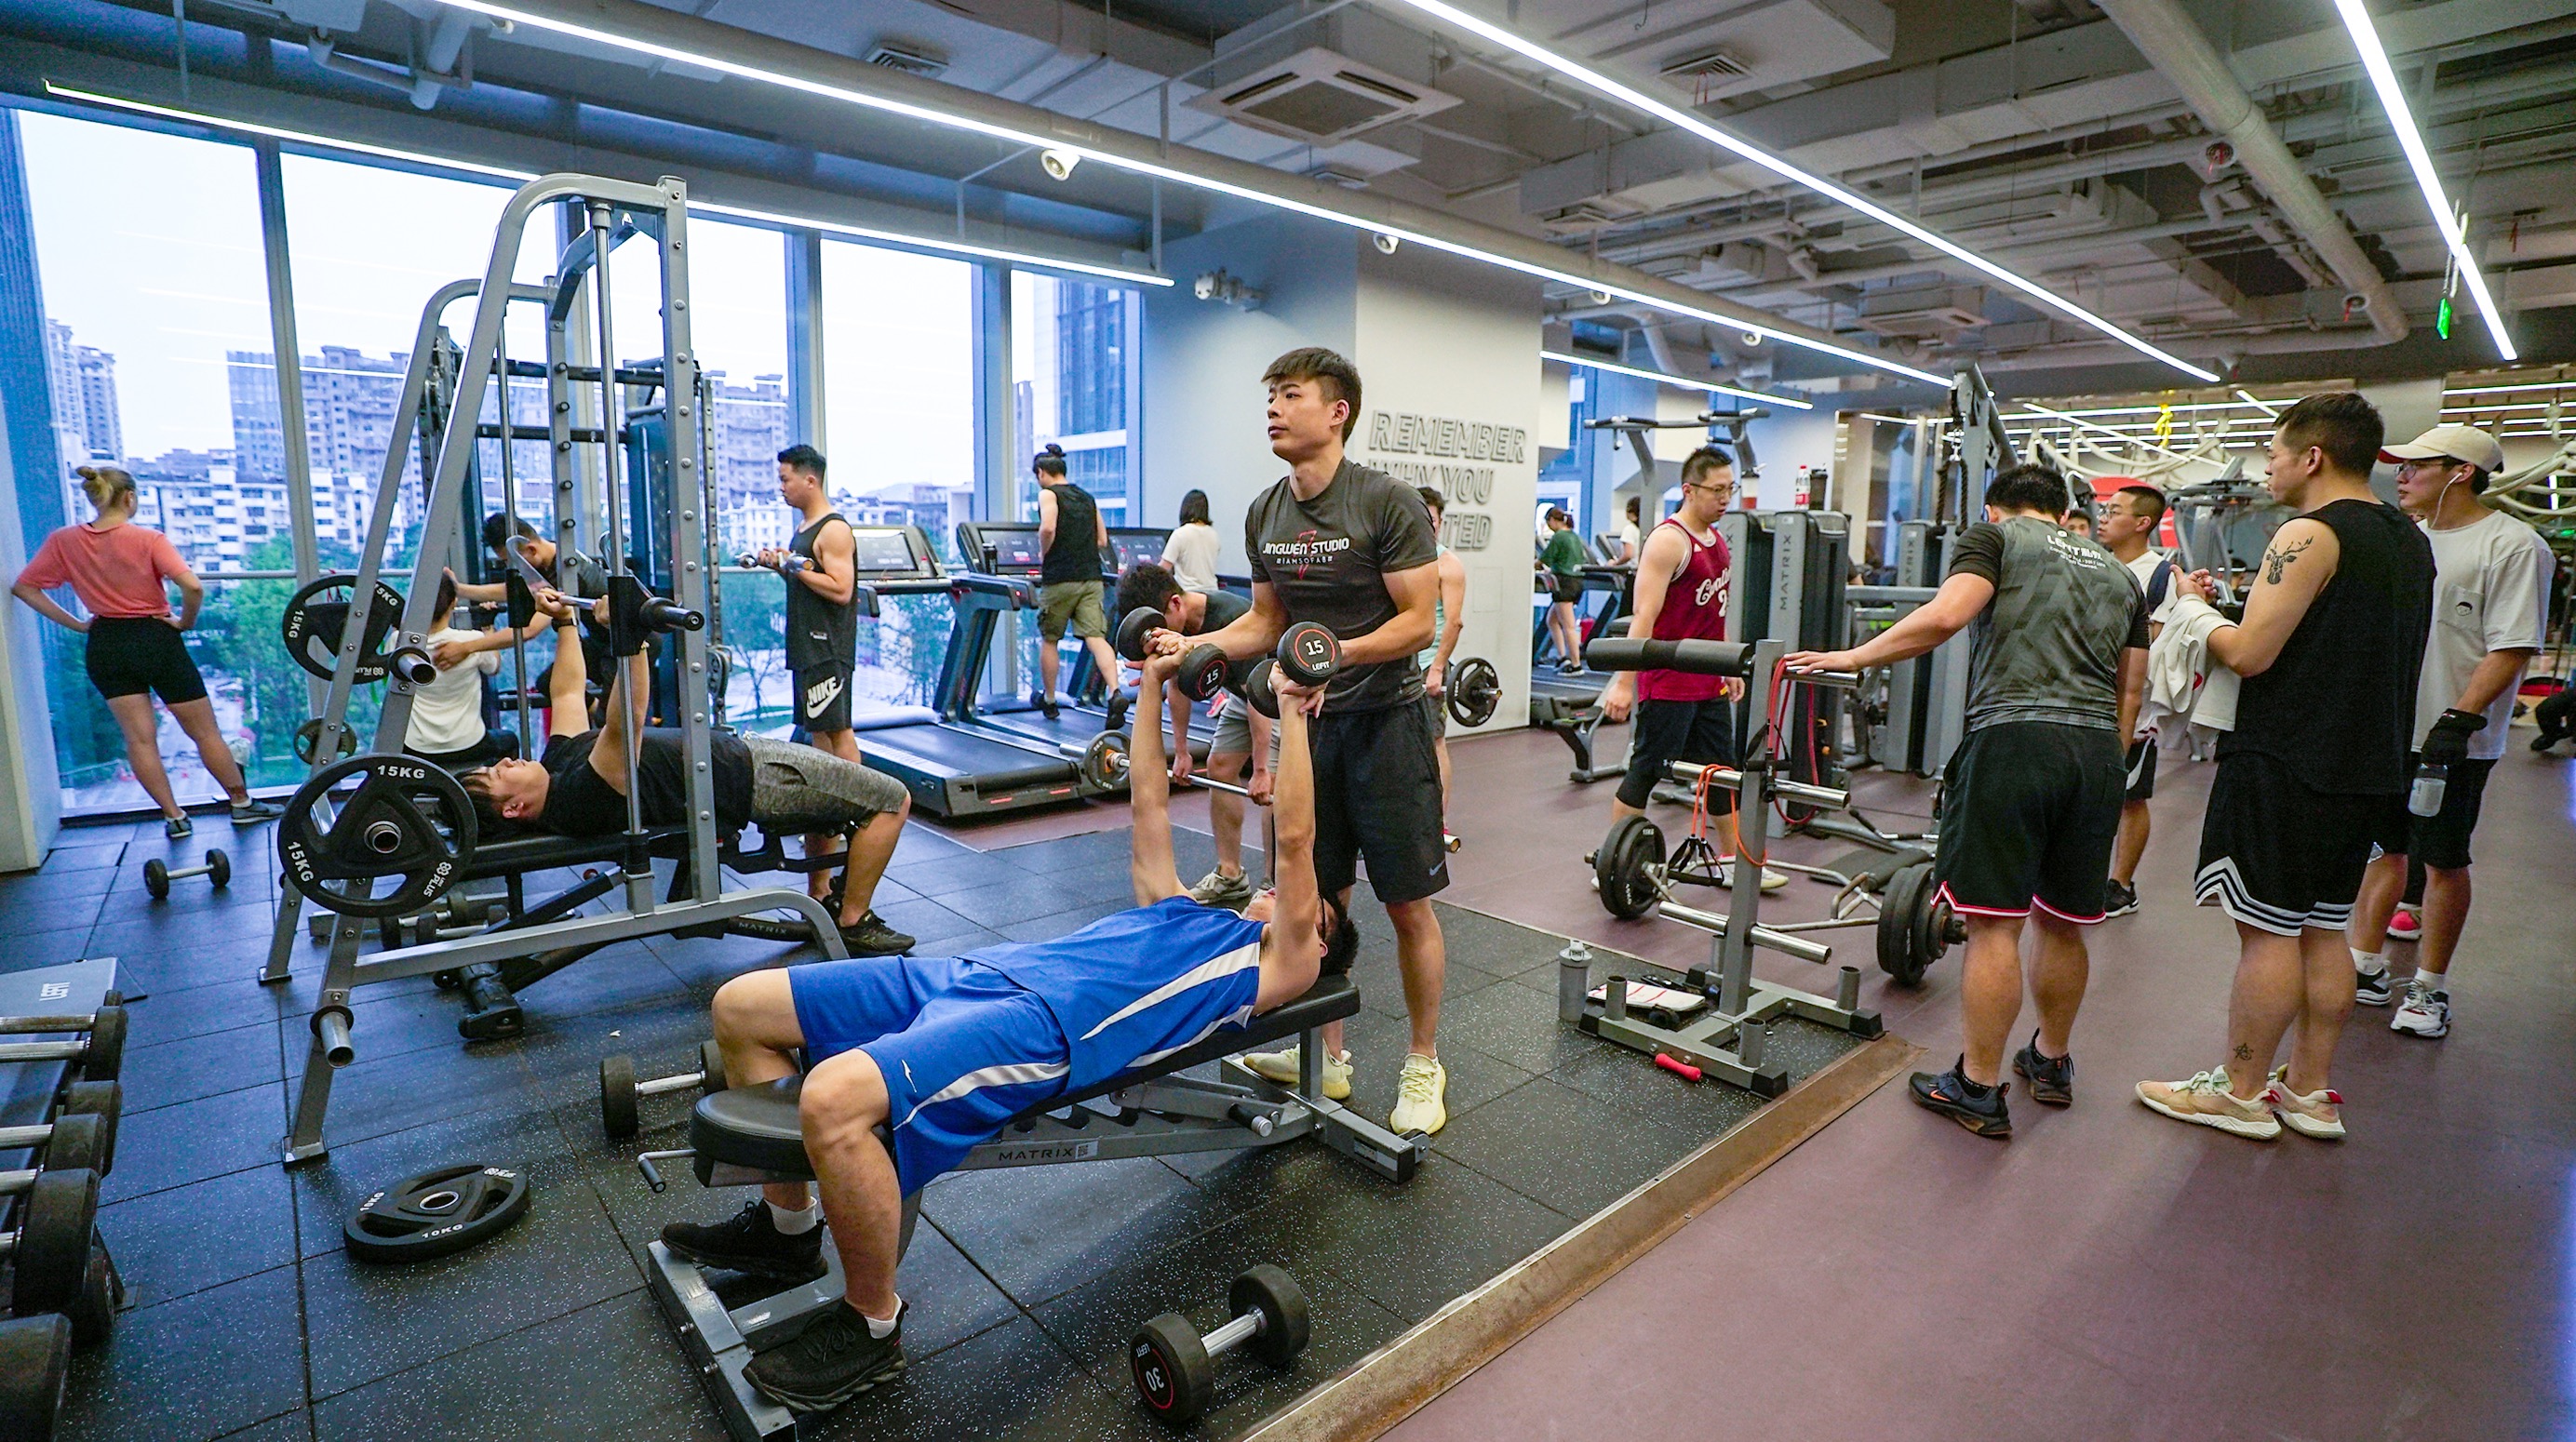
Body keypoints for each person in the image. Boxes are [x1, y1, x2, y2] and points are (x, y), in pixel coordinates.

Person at [653, 645, 1341, 1415]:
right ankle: (787, 1234)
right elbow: (1147, 801)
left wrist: (1291, 709)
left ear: (1316, 947)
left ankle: (872, 1325)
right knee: (742, 1006)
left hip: (1043, 1028)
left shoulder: (1274, 968)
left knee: (833, 1098)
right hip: (980, 972)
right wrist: (1150, 683)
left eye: (1310, 911)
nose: (1284, 894)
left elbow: (1295, 842)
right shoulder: (1183, 908)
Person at [1790, 462, 2148, 1140]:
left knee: (1994, 926)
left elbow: (1947, 615)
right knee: (2063, 923)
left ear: (1993, 509)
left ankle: (1978, 1088)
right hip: (2100, 752)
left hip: (2015, 741)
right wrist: (2108, 760)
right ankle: (2051, 1061)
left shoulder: (1995, 539)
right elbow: (2131, 688)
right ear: (2062, 511)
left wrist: (1853, 658)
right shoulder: (2118, 572)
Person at [2138, 393, 2434, 1142]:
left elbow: (2251, 653)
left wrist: (2193, 613)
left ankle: (2239, 1093)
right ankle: (2308, 1092)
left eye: (2274, 455)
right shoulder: (2410, 539)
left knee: (2268, 933)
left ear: (2313, 457)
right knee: (2325, 929)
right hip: (2367, 763)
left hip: (2289, 759)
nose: (2267, 469)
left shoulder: (2308, 533)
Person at [1191, 347, 1450, 1133]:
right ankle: (1329, 1058)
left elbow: (1417, 623)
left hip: (1389, 725)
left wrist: (1336, 655)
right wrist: (1192, 645)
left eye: (1290, 394)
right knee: (1313, 899)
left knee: (1406, 904)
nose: (1272, 407)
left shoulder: (1386, 502)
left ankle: (1424, 1062)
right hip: (1313, 732)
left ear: (1337, 412)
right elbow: (1265, 622)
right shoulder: (1265, 511)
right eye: (1269, 395)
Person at [463, 587, 916, 955]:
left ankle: (821, 899)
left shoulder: (556, 765)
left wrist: (564, 622)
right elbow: (625, 721)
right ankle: (853, 920)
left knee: (839, 796)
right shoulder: (579, 797)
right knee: (892, 799)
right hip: (757, 777)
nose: (506, 761)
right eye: (498, 774)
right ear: (514, 808)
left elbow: (566, 693)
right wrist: (632, 637)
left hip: (744, 757)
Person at [2346, 423, 2551, 1040]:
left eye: (2418, 466)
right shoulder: (2407, 539)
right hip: (2389, 728)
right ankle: (2364, 965)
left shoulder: (2513, 545)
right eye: (2400, 467)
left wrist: (2459, 719)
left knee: (2441, 859)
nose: (2402, 476)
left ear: (2461, 472)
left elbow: (2512, 646)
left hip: (2454, 739)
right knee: (2383, 849)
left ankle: (2429, 987)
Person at [9, 465, 283, 838]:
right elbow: (193, 587)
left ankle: (175, 818)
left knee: (139, 739)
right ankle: (240, 803)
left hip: (105, 642)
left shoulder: (63, 540)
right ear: (129, 498)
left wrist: (77, 624)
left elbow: (25, 587)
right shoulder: (149, 539)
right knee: (205, 733)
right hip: (156, 639)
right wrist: (185, 623)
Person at [1597, 447, 1781, 891]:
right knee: (1647, 770)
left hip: (1707, 681)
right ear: (1689, 490)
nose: (1725, 498)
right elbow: (1643, 617)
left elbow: (1714, 614)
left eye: (1729, 489)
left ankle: (1732, 861)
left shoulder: (1717, 539)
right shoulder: (1668, 541)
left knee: (1720, 772)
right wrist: (1623, 683)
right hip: (1668, 682)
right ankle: (1612, 863)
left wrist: (1728, 665)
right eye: (1716, 490)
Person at [749, 445, 866, 921]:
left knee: (836, 734)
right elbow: (809, 581)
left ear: (809, 480)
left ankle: (860, 810)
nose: (781, 487)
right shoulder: (804, 529)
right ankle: (828, 844)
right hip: (808, 647)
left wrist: (795, 566)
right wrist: (783, 567)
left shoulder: (833, 528)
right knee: (821, 739)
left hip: (827, 648)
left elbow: (841, 588)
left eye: (785, 479)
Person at [1113, 561, 1267, 908]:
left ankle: (1274, 885)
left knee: (1274, 785)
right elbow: (1177, 686)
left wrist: (1260, 770)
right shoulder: (1175, 634)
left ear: (1175, 604)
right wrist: (1181, 751)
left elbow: (1258, 702)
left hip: (1270, 697)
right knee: (1219, 767)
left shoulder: (1231, 615)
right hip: (1241, 697)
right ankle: (1231, 875)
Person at [2096, 484, 2179, 918]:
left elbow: (2153, 642)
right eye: (2104, 510)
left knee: (2131, 796)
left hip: (2136, 708)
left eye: (2114, 511)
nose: (2103, 518)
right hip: (2089, 698)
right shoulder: (2095, 565)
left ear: (2142, 523)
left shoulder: (2160, 576)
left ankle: (2122, 885)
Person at [452, 514, 614, 715]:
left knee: (612, 721)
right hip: (601, 641)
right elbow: (512, 591)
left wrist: (464, 648)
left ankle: (601, 717)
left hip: (623, 645)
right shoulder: (552, 556)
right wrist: (459, 590)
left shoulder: (568, 574)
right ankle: (597, 713)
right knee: (548, 682)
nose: (511, 568)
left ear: (531, 549)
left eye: (511, 562)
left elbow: (529, 630)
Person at [1030, 444, 1116, 723]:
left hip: (1060, 578)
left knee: (1050, 638)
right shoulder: (1087, 497)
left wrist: (1044, 553)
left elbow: (1048, 527)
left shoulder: (1048, 494)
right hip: (1091, 576)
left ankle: (1050, 700)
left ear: (1041, 472)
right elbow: (1102, 540)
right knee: (1096, 638)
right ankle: (1115, 692)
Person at [406, 571, 515, 770]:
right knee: (509, 740)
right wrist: (487, 627)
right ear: (454, 603)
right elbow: (493, 667)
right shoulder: (472, 641)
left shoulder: (399, 643)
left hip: (417, 748)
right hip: (468, 744)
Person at [1416, 487, 1469, 852]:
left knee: (1434, 742)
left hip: (1427, 667)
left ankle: (1437, 822)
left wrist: (1437, 669)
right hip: (1397, 666)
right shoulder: (1402, 561)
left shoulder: (1447, 565)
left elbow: (1453, 622)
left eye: (1431, 520)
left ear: (1440, 522)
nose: (1425, 526)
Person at [1537, 507, 1589, 674]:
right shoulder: (1574, 536)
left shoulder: (1559, 536)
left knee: (1569, 626)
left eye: (1548, 522)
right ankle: (1562, 657)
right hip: (1577, 582)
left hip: (1564, 583)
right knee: (1552, 620)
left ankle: (1576, 665)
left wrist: (1532, 564)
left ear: (1553, 520)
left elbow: (1544, 559)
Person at [1160, 488, 1224, 594]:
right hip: (1212, 595)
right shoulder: (1214, 535)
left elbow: (1163, 569)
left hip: (1188, 595)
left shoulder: (1180, 534)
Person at [1616, 496, 1644, 565]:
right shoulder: (1647, 530)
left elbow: (1628, 555)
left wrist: (1615, 564)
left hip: (1632, 568)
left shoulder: (1629, 529)